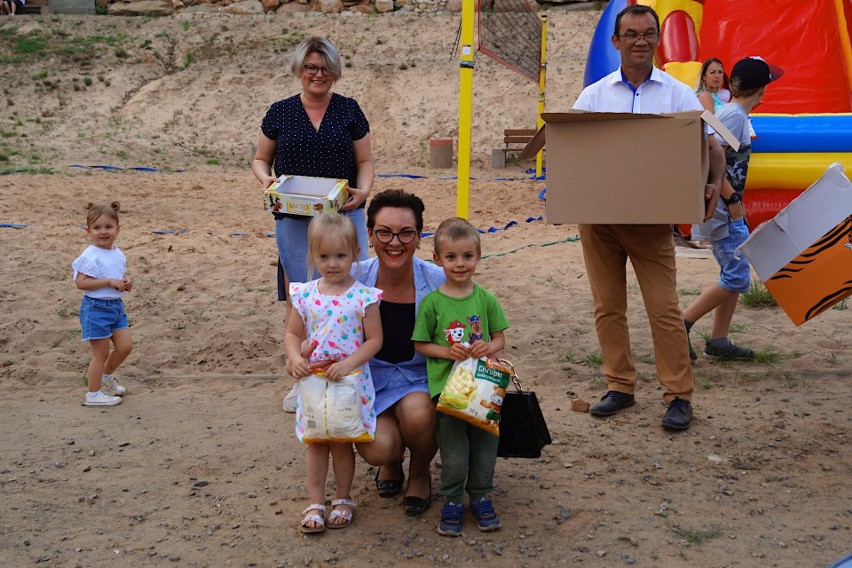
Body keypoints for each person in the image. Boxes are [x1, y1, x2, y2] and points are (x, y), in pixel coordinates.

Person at [572, 4, 725, 431]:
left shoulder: (677, 93)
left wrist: (712, 185)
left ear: (657, 39)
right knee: (608, 307)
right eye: (632, 33)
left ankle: (678, 395)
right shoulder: (595, 95)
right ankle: (619, 386)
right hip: (600, 220)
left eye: (648, 33)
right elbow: (572, 148)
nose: (641, 40)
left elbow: (712, 144)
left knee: (663, 308)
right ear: (616, 41)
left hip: (652, 223)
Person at [252, 36, 375, 414]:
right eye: (311, 67)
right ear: (300, 70)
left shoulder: (350, 110)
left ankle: (357, 369)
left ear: (334, 72)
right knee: (301, 295)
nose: (317, 74)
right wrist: (266, 181)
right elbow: (260, 159)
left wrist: (364, 192)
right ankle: (302, 374)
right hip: (292, 216)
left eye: (324, 68)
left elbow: (366, 162)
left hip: (342, 214)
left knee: (352, 289)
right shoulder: (280, 111)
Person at [284, 212, 383, 533]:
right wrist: (293, 356)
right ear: (313, 255)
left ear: (356, 252)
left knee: (342, 441)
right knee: (316, 441)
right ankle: (315, 502)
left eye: (340, 255)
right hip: (313, 382)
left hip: (348, 381)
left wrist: (350, 362)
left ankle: (342, 497)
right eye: (324, 256)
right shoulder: (306, 294)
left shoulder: (363, 296)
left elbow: (375, 339)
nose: (333, 263)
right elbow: (292, 334)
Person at [412, 217, 509, 537]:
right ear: (437, 259)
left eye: (468, 256)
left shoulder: (486, 299)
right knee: (454, 450)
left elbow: (499, 339)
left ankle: (480, 496)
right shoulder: (432, 304)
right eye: (451, 257)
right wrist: (446, 352)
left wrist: (487, 346)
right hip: (448, 392)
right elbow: (421, 344)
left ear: (478, 257)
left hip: (484, 389)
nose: (460, 264)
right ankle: (453, 501)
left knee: (484, 446)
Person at [684, 56, 784, 362]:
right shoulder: (734, 116)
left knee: (733, 271)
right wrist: (732, 200)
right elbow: (715, 163)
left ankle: (719, 340)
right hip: (723, 209)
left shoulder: (734, 113)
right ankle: (681, 324)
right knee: (738, 276)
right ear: (761, 90)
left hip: (725, 208)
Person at [353, 189, 445, 516]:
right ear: (369, 235)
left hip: (418, 378)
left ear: (420, 237)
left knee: (419, 415)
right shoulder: (352, 279)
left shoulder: (438, 281)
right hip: (369, 381)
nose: (395, 242)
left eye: (406, 232)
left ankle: (420, 472)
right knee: (378, 448)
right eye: (384, 232)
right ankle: (391, 462)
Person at [72, 202, 133, 408]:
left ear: (118, 229)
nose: (103, 232)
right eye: (97, 228)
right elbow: (81, 283)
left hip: (115, 307)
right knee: (101, 354)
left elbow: (119, 274)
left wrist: (126, 281)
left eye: (108, 227)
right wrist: (107, 281)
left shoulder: (118, 253)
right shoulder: (90, 255)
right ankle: (93, 394)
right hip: (96, 308)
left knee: (125, 347)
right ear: (88, 231)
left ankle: (106, 377)